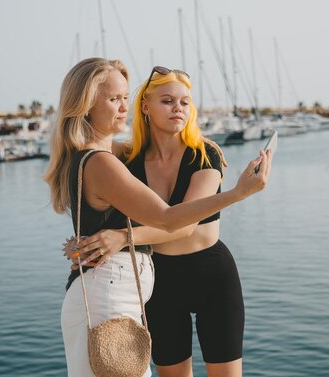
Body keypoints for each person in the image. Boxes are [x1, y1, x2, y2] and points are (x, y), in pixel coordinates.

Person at [44, 58, 271, 377]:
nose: (123, 107)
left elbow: (185, 224)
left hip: (200, 277)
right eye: (114, 99)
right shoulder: (115, 160)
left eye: (185, 102)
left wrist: (123, 237)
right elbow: (169, 219)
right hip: (137, 286)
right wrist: (239, 192)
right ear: (147, 107)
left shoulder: (196, 154)